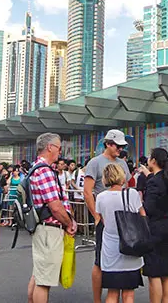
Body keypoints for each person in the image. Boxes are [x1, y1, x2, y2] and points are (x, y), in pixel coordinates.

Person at [27, 133, 77, 303]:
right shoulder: (45, 171)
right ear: (50, 147)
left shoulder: (35, 167)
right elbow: (55, 206)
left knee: (39, 275)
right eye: (59, 148)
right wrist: (69, 223)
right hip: (49, 230)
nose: (60, 152)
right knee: (44, 282)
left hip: (42, 228)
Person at [84, 129, 132, 303]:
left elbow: (126, 187)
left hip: (123, 219)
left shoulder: (123, 163)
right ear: (108, 144)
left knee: (122, 257)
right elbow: (87, 192)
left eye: (122, 146)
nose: (120, 149)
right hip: (104, 219)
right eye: (118, 146)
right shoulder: (95, 163)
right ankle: (97, 300)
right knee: (100, 260)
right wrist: (96, 215)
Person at [96, 164, 145, 303]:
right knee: (128, 293)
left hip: (110, 249)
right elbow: (142, 214)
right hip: (131, 245)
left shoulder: (100, 197)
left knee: (112, 293)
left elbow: (101, 219)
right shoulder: (132, 194)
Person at [137, 148, 168, 303]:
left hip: (154, 228)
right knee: (165, 270)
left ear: (153, 160)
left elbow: (149, 207)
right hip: (166, 225)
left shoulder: (154, 181)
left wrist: (140, 208)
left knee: (153, 272)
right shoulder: (167, 178)